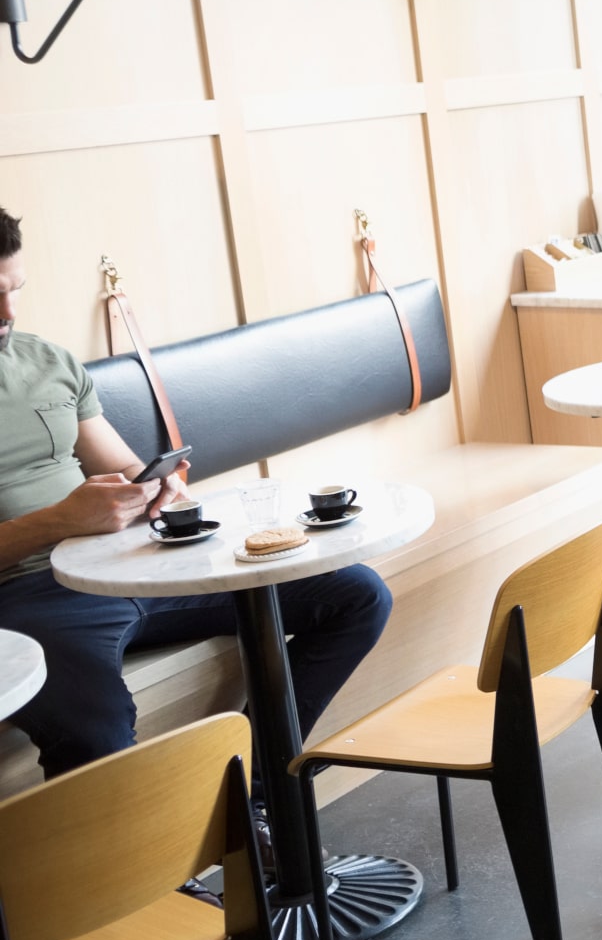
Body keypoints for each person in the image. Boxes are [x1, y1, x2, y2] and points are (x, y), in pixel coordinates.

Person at [0, 205, 392, 778]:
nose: (9, 313)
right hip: (27, 600)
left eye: (14, 290)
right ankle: (143, 868)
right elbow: (63, 519)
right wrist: (59, 522)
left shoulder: (46, 360)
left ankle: (254, 803)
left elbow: (127, 466)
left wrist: (155, 487)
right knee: (96, 735)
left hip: (129, 561)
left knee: (355, 594)